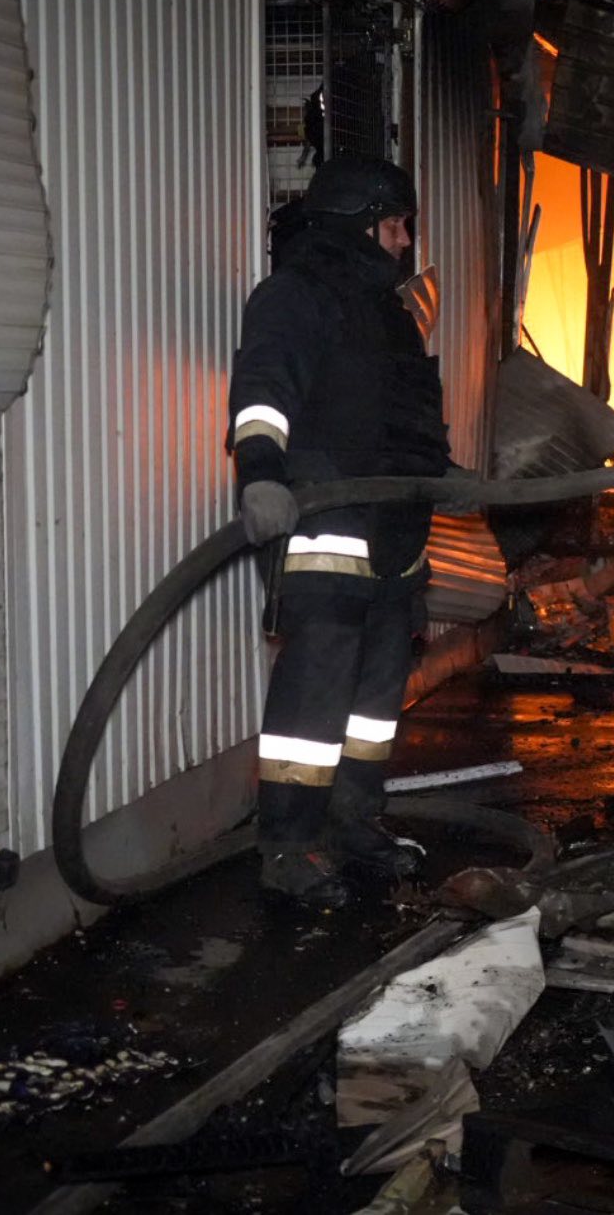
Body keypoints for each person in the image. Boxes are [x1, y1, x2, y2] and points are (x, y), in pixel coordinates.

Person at [227, 153, 452, 908]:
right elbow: (264, 390)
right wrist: (261, 473)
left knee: (375, 700)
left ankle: (355, 822)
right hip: (330, 521)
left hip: (397, 528)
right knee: (315, 696)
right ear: (360, 223)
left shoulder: (389, 312)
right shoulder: (295, 296)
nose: (404, 241)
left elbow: (406, 415)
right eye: (395, 225)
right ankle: (290, 847)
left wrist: (440, 480)